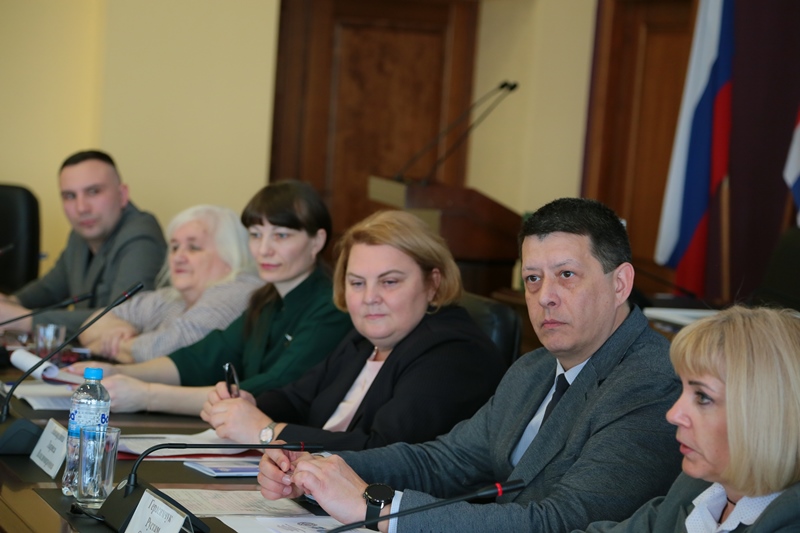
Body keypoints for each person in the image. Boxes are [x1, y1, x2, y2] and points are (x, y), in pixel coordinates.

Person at [257, 197, 683, 532]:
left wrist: (378, 508)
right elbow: (444, 461)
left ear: (620, 283)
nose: (545, 297)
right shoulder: (534, 369)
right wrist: (316, 467)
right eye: (533, 278)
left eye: (566, 275)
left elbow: (563, 521)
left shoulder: (652, 382)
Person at [200, 210, 506, 451]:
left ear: (433, 284)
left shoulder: (455, 353)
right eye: (357, 283)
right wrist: (246, 406)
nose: (369, 298)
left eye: (389, 282)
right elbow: (298, 399)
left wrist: (266, 432)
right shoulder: (365, 339)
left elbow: (384, 451)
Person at [66, 180, 352, 415]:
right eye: (255, 235)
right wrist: (114, 372)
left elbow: (271, 387)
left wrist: (147, 395)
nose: (264, 249)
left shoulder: (330, 305)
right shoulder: (266, 299)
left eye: (281, 236)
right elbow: (201, 358)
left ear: (317, 241)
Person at [571, 306, 800, 533]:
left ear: (768, 415)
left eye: (702, 397)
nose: (673, 415)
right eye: (683, 390)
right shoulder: (694, 488)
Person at [0, 150, 166, 335]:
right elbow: (50, 288)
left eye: (93, 192)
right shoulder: (81, 233)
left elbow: (122, 319)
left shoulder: (141, 237)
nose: (81, 208)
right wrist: (11, 303)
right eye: (70, 196)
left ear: (122, 194)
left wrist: (25, 320)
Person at [78, 204, 263, 363]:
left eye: (194, 247)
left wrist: (111, 345)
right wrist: (119, 331)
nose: (178, 257)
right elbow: (90, 326)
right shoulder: (172, 298)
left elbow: (167, 350)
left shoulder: (240, 291)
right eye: (174, 247)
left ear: (230, 254)